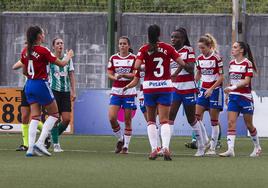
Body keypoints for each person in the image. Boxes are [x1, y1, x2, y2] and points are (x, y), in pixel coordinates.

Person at [124, 24, 203, 160]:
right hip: (165, 86)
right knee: (165, 120)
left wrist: (145, 65)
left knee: (150, 121)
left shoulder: (144, 48)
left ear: (148, 35)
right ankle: (166, 147)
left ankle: (154, 149)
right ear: (159, 34)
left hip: (149, 87)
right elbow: (182, 63)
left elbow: (136, 67)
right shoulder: (168, 48)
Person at [20, 25, 74, 157]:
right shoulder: (43, 50)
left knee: (35, 116)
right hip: (40, 83)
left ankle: (30, 149)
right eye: (43, 34)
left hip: (29, 85)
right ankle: (40, 143)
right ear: (39, 36)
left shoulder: (25, 51)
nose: (44, 36)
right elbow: (61, 64)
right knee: (55, 115)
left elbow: (24, 71)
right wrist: (69, 56)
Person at [219, 41, 261, 157]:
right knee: (231, 122)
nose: (232, 49)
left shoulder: (248, 63)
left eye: (235, 47)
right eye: (233, 47)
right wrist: (228, 94)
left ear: (241, 50)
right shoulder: (232, 63)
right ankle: (230, 150)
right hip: (233, 97)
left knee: (249, 125)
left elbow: (247, 81)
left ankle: (257, 147)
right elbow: (231, 80)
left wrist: (233, 87)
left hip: (245, 98)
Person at [168, 27, 199, 150]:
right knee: (170, 116)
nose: (173, 39)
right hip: (174, 88)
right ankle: (165, 146)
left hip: (188, 88)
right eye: (172, 37)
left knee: (191, 119)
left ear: (183, 39)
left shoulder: (188, 50)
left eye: (176, 37)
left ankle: (202, 142)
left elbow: (191, 68)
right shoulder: (169, 51)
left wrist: (179, 64)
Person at [195, 33, 224, 156]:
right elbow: (199, 74)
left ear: (209, 46)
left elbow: (222, 77)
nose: (201, 50)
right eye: (200, 48)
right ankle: (205, 140)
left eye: (203, 48)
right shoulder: (199, 59)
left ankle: (212, 148)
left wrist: (212, 88)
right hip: (203, 90)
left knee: (214, 120)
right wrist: (194, 84)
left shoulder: (216, 58)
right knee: (196, 116)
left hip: (215, 91)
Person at [107, 36, 137, 154]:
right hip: (116, 91)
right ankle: (120, 139)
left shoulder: (134, 58)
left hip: (129, 91)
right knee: (112, 117)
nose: (122, 46)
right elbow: (109, 73)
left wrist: (124, 75)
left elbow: (136, 74)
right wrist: (115, 77)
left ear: (129, 46)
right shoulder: (113, 58)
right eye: (120, 44)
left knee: (127, 120)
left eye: (124, 44)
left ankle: (126, 147)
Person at [12, 59, 49, 151]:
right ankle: (26, 145)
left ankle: (46, 133)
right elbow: (14, 67)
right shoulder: (26, 55)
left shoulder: (41, 55)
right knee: (24, 116)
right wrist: (25, 61)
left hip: (37, 87)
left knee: (34, 117)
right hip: (27, 87)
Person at [49, 37, 76, 152]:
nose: (60, 45)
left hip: (65, 92)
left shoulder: (68, 59)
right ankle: (56, 144)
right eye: (58, 43)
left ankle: (51, 136)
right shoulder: (50, 58)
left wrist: (73, 91)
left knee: (66, 119)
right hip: (54, 90)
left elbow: (71, 75)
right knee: (55, 118)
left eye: (62, 43)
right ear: (53, 46)